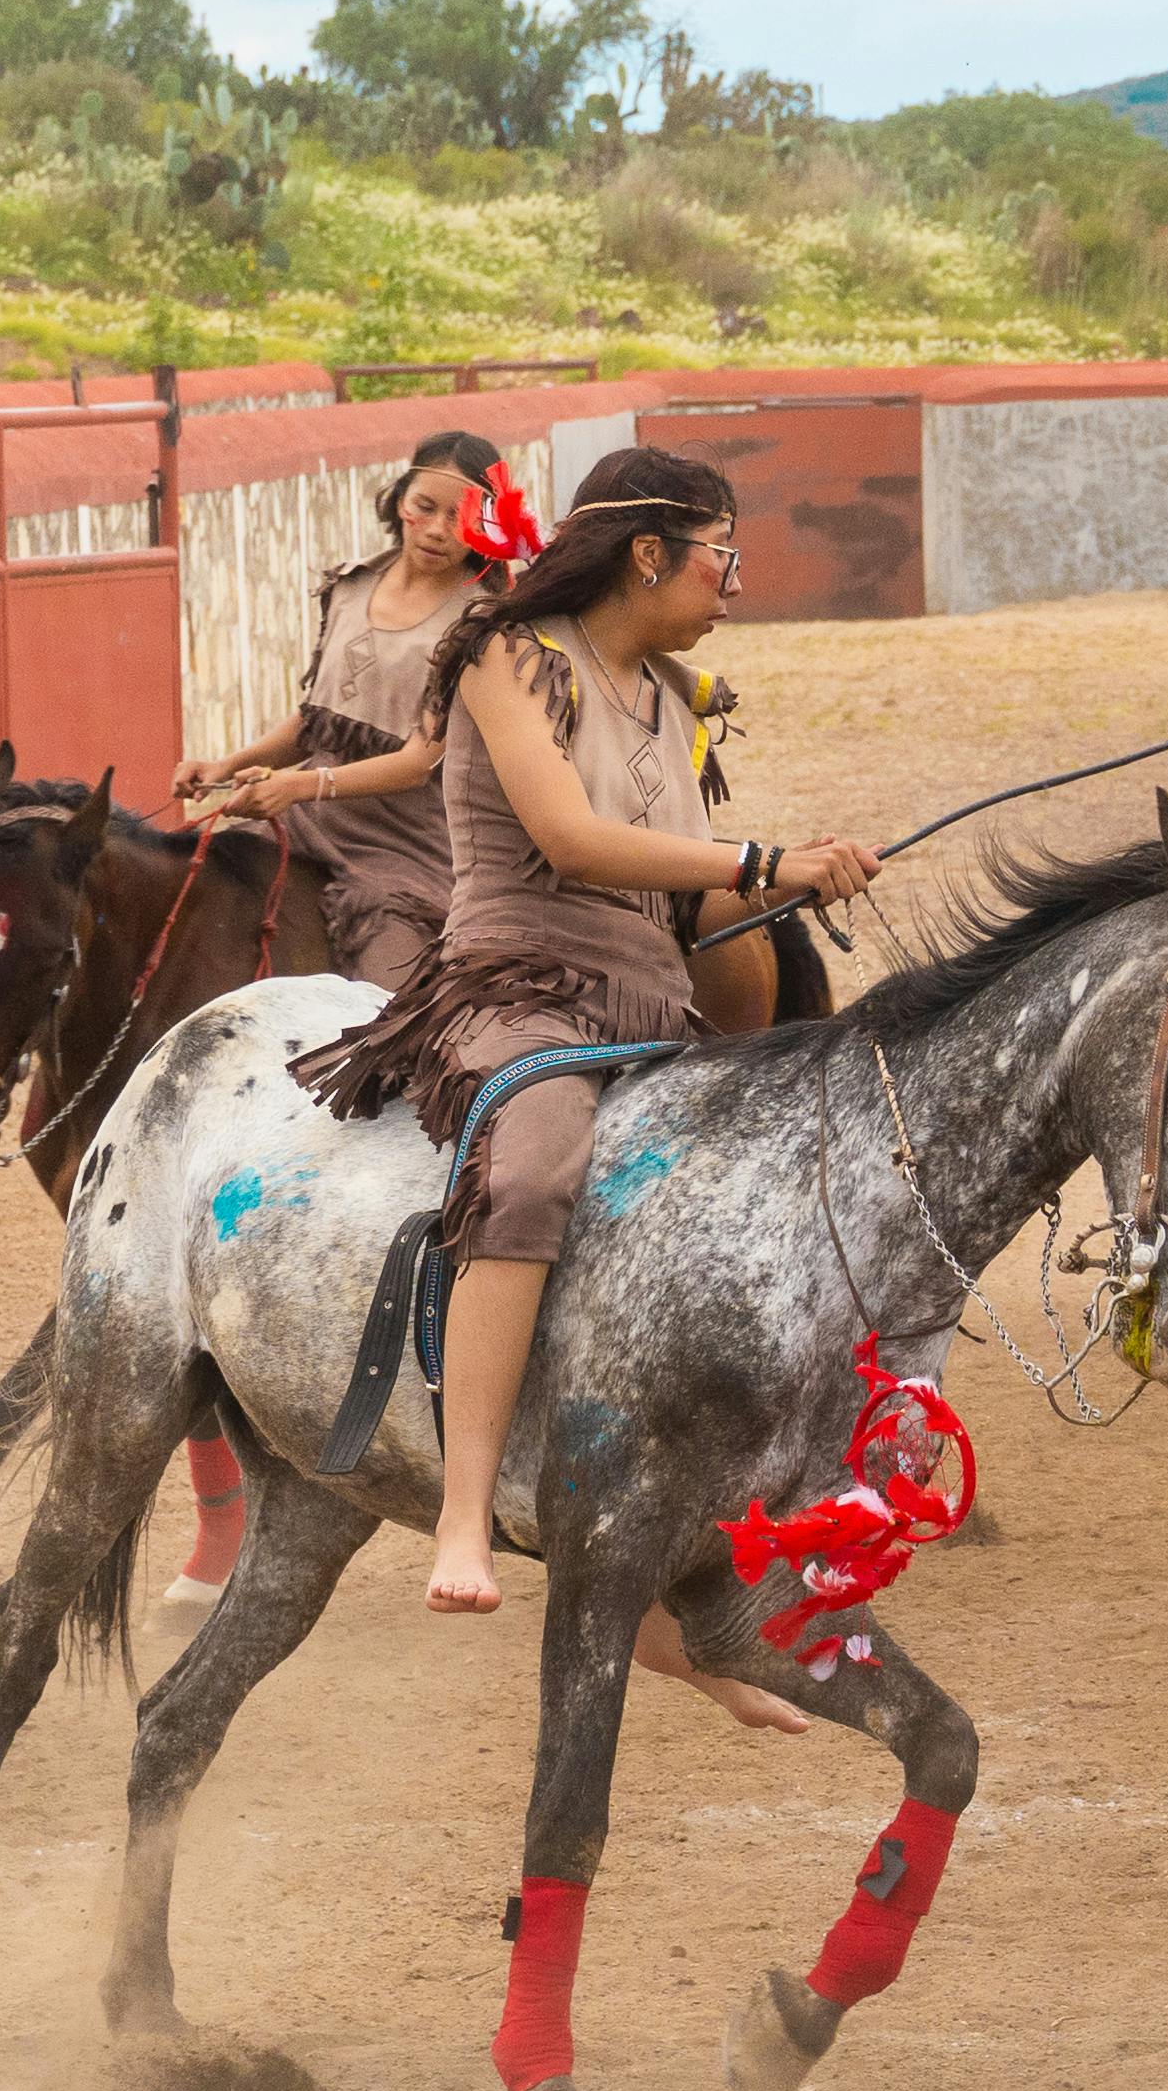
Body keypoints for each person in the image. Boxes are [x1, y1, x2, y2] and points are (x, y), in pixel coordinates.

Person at [292, 450, 878, 1616]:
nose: (735, 585)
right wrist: (759, 856)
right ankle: (465, 1512)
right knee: (538, 1159)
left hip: (656, 1008)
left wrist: (792, 880)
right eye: (724, 557)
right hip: (519, 992)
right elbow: (568, 840)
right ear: (648, 553)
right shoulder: (509, 658)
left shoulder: (670, 700)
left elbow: (690, 904)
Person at [182, 429, 521, 992]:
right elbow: (320, 721)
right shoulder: (350, 586)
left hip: (407, 846)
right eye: (424, 507)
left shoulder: (484, 619)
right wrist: (223, 766)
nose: (438, 529)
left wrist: (296, 787)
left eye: (461, 517)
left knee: (389, 1004)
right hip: (307, 821)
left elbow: (417, 762)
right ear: (400, 500)